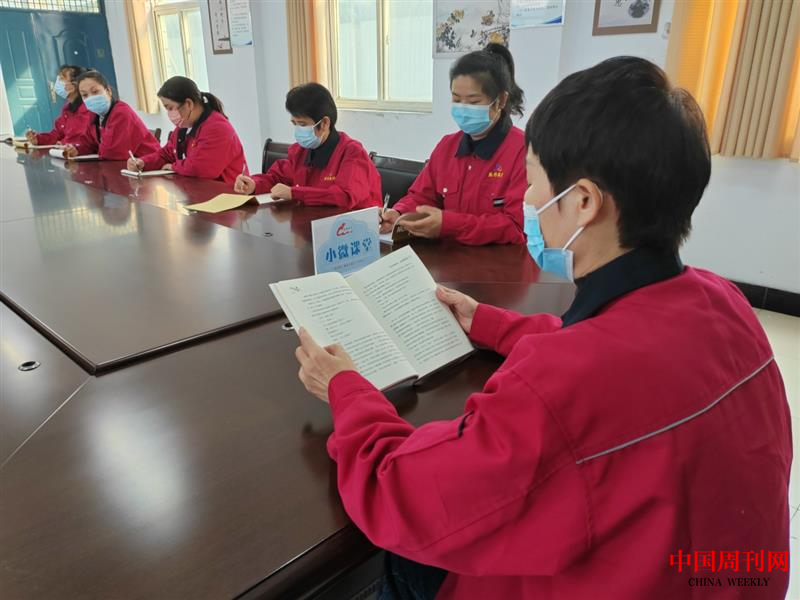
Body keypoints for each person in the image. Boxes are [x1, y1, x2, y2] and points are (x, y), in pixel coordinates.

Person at [292, 57, 792, 599]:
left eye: (533, 182)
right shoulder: (727, 305)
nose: (528, 201)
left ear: (583, 202)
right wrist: (491, 322)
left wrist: (347, 391)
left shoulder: (559, 382)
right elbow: (621, 353)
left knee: (395, 561)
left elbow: (402, 496)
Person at [380, 44, 527, 246]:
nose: (463, 109)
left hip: (497, 263)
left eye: (473, 102)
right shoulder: (447, 147)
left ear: (500, 100)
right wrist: (399, 213)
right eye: (457, 100)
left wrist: (448, 224)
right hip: (446, 258)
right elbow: (422, 196)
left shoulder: (523, 151)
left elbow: (515, 227)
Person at [233, 83, 381, 209]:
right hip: (314, 223)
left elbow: (344, 196)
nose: (298, 130)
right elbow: (277, 177)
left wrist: (295, 193)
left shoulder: (352, 153)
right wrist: (254, 184)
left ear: (324, 123)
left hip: (353, 227)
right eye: (294, 123)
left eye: (302, 124)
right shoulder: (300, 150)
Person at [129, 76, 247, 183]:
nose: (169, 113)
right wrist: (143, 162)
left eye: (170, 108)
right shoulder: (184, 126)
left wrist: (173, 167)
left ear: (189, 104)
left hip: (227, 194)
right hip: (196, 191)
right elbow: (166, 154)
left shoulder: (217, 128)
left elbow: (200, 168)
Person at [62, 70, 159, 160]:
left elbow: (112, 152)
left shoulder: (121, 113)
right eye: (85, 95)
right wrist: (76, 149)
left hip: (148, 165)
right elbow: (88, 143)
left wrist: (99, 150)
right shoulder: (94, 115)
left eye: (95, 92)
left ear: (108, 91)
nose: (90, 98)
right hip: (122, 166)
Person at [26, 65, 91, 147]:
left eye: (62, 79)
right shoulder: (67, 109)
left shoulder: (87, 109)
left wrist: (62, 143)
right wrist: (38, 139)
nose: (57, 82)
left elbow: (79, 138)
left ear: (74, 86)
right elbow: (57, 134)